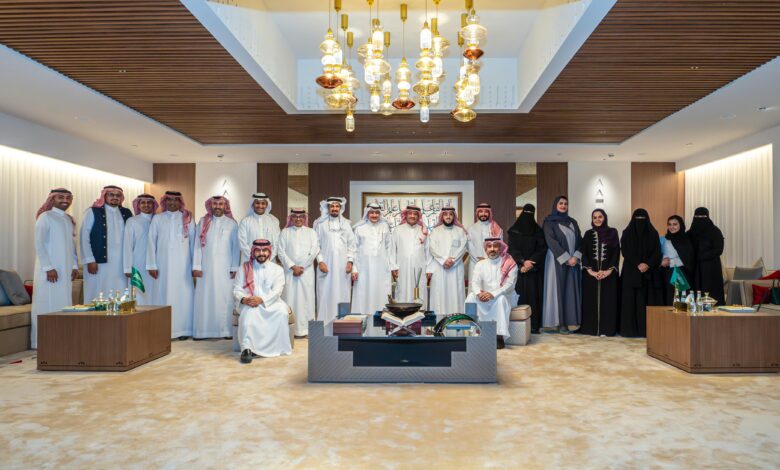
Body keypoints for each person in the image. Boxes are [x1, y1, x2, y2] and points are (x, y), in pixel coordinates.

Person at [31, 188, 79, 349]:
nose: (65, 200)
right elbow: (39, 244)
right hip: (49, 271)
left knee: (63, 303)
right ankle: (41, 342)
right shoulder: (45, 217)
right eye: (61, 197)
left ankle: (61, 339)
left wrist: (74, 265)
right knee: (46, 303)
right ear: (52, 199)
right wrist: (48, 267)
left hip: (65, 271)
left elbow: (71, 246)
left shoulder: (68, 219)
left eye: (68, 197)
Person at [233, 239, 292, 363]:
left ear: (269, 252)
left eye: (264, 250)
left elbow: (277, 291)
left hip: (271, 302)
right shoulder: (244, 268)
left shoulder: (277, 269)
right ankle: (247, 349)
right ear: (253, 252)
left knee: (281, 313)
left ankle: (277, 347)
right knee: (249, 316)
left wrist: (261, 300)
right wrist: (244, 299)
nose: (261, 253)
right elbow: (237, 288)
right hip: (249, 302)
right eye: (258, 251)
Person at [146, 191, 195, 339]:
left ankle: (184, 330)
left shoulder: (188, 218)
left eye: (175, 200)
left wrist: (195, 265)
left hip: (184, 265)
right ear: (165, 202)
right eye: (169, 200)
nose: (172, 203)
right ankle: (163, 330)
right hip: (163, 265)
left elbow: (194, 243)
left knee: (184, 296)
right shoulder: (158, 218)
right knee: (164, 295)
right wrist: (151, 265)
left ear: (180, 202)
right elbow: (151, 242)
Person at [192, 196, 240, 339]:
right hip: (205, 269)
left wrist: (234, 267)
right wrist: (196, 265)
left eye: (220, 204)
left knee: (225, 298)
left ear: (225, 206)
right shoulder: (203, 222)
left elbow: (236, 248)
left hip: (226, 268)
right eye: (215, 204)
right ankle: (203, 331)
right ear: (210, 206)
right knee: (205, 298)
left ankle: (225, 331)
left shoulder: (232, 224)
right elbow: (197, 245)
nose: (217, 206)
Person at [80, 185, 133, 302]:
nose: (115, 197)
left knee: (121, 292)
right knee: (98, 292)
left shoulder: (127, 212)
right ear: (104, 196)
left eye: (118, 195)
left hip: (121, 263)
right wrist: (89, 260)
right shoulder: (93, 211)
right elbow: (84, 237)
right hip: (99, 262)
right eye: (111, 195)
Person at [465, 238, 518, 349]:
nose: (492, 249)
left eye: (495, 246)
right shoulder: (480, 264)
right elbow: (474, 282)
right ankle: (473, 331)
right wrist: (479, 293)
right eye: (489, 246)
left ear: (500, 248)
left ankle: (498, 336)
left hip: (504, 296)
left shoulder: (509, 263)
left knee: (500, 300)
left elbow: (509, 285)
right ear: (486, 249)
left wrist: (493, 294)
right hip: (484, 296)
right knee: (470, 297)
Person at [542, 196, 582, 333]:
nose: (563, 206)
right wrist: (566, 258)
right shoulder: (549, 222)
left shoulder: (573, 222)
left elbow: (580, 240)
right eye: (561, 203)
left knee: (570, 290)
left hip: (573, 262)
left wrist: (575, 257)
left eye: (566, 203)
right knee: (558, 290)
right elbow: (551, 241)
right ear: (555, 205)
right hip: (556, 260)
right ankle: (560, 323)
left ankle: (571, 321)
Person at [619, 208, 661, 337]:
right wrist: (638, 263)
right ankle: (629, 330)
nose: (640, 221)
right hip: (631, 272)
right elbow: (625, 251)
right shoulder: (626, 233)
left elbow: (657, 252)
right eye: (637, 218)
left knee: (644, 300)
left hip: (647, 273)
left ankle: (645, 330)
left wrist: (647, 264)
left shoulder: (653, 233)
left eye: (642, 219)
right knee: (629, 301)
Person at [313, 197, 356, 324]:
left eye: (337, 206)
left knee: (343, 295)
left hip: (343, 268)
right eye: (332, 206)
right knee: (324, 295)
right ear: (327, 208)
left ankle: (342, 325)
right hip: (325, 266)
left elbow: (352, 245)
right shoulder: (320, 224)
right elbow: (315, 245)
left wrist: (350, 262)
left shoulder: (346, 224)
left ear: (340, 208)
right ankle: (323, 326)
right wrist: (320, 261)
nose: (335, 208)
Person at [278, 209, 320, 337]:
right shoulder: (285, 232)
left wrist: (301, 267)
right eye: (295, 217)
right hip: (289, 272)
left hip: (306, 272)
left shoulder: (311, 232)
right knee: (289, 298)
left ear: (304, 218)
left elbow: (314, 250)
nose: (298, 219)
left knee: (306, 300)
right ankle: (289, 329)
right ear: (291, 218)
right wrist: (292, 266)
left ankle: (305, 329)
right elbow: (281, 251)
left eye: (301, 216)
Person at [507, 204, 547, 334]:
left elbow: (542, 249)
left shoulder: (538, 231)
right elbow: (512, 249)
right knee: (519, 297)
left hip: (534, 271)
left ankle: (534, 326)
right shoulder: (513, 231)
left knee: (535, 297)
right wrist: (522, 262)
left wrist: (531, 263)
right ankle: (517, 327)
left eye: (531, 213)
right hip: (519, 270)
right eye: (526, 212)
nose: (528, 215)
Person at [580, 209, 620, 337]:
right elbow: (584, 253)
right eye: (595, 217)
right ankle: (590, 329)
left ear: (605, 217)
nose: (597, 219)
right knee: (589, 302)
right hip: (590, 275)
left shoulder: (612, 232)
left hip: (608, 275)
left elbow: (616, 252)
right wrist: (590, 271)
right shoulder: (588, 234)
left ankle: (607, 329)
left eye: (600, 216)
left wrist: (608, 271)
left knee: (608, 302)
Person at [351, 202, 394, 315]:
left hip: (381, 268)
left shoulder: (385, 227)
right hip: (364, 269)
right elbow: (354, 250)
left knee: (381, 292)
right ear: (367, 213)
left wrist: (391, 266)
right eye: (371, 213)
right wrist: (354, 269)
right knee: (364, 293)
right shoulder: (359, 228)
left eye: (377, 213)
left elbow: (389, 248)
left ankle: (381, 319)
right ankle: (363, 319)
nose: (374, 215)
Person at [427, 207, 469, 315]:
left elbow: (463, 247)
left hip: (456, 268)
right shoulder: (436, 231)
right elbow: (432, 248)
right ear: (442, 216)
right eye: (445, 214)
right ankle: (439, 320)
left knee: (456, 293)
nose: (448, 216)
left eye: (451, 214)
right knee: (440, 294)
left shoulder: (460, 231)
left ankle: (456, 319)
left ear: (454, 216)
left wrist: (452, 260)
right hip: (439, 267)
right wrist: (443, 261)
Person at [390, 205, 430, 308]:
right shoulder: (398, 230)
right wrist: (393, 267)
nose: (412, 216)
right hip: (402, 268)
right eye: (410, 213)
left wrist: (429, 269)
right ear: (406, 215)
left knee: (419, 292)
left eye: (415, 214)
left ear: (418, 216)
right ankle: (402, 315)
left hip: (420, 268)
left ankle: (420, 316)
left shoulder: (423, 231)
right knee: (402, 290)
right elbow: (392, 249)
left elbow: (428, 251)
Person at [122, 194, 159, 305]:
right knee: (139, 293)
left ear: (153, 205)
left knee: (156, 293)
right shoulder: (132, 221)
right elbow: (127, 245)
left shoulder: (159, 219)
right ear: (138, 205)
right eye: (143, 203)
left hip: (157, 264)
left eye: (149, 203)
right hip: (138, 263)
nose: (146, 205)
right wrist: (127, 268)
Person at [687, 207, 725, 305]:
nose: (700, 218)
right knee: (695, 290)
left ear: (707, 216)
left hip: (711, 267)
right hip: (694, 268)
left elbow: (719, 249)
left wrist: (702, 256)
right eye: (697, 216)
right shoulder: (690, 233)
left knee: (711, 290)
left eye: (702, 216)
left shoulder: (715, 231)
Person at [660, 215, 695, 305]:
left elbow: (688, 258)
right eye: (669, 224)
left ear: (681, 225)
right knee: (668, 298)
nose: (672, 227)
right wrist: (661, 261)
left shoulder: (686, 240)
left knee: (681, 300)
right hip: (666, 273)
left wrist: (671, 262)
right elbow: (660, 253)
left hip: (681, 273)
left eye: (675, 224)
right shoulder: (665, 239)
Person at [237, 192, 281, 263]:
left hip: (269, 261)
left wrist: (268, 257)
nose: (260, 206)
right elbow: (242, 243)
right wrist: (254, 257)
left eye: (263, 203)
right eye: (257, 203)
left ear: (266, 205)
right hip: (250, 260)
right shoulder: (245, 221)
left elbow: (277, 241)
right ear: (253, 204)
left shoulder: (274, 221)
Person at [467, 203, 503, 281]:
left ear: (489, 213)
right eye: (481, 211)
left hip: (492, 262)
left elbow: (499, 246)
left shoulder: (496, 228)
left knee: (490, 284)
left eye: (486, 211)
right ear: (477, 213)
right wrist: (478, 259)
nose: (483, 214)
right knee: (475, 284)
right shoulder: (471, 229)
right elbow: (469, 246)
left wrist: (488, 259)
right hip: (475, 262)